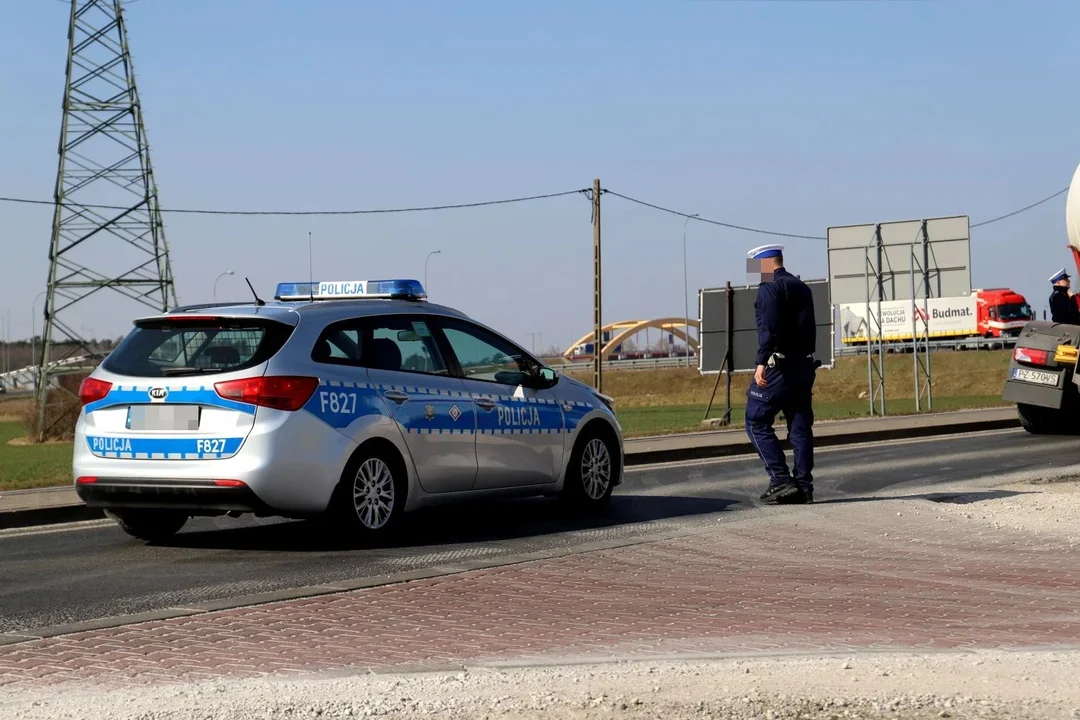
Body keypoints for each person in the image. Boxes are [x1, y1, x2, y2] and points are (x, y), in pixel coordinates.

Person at [744, 244, 820, 505]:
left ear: (764, 264)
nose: (753, 272)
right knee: (799, 427)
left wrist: (761, 362)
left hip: (780, 367)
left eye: (754, 266)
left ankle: (780, 480)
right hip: (804, 365)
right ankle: (803, 487)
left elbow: (770, 329)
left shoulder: (770, 287)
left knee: (755, 420)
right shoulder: (801, 286)